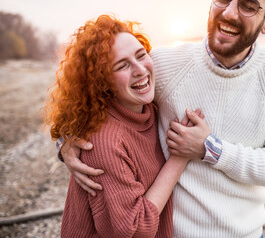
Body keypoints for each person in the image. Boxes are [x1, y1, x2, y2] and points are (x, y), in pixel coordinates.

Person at [59, 0, 265, 237]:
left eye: (249, 5)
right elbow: (92, 90)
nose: (230, 12)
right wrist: (67, 141)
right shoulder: (163, 64)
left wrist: (211, 149)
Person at [42, 15, 197, 237]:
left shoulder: (148, 109)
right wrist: (180, 158)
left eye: (141, 55)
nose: (140, 70)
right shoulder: (103, 141)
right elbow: (135, 229)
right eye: (122, 65)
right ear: (102, 81)